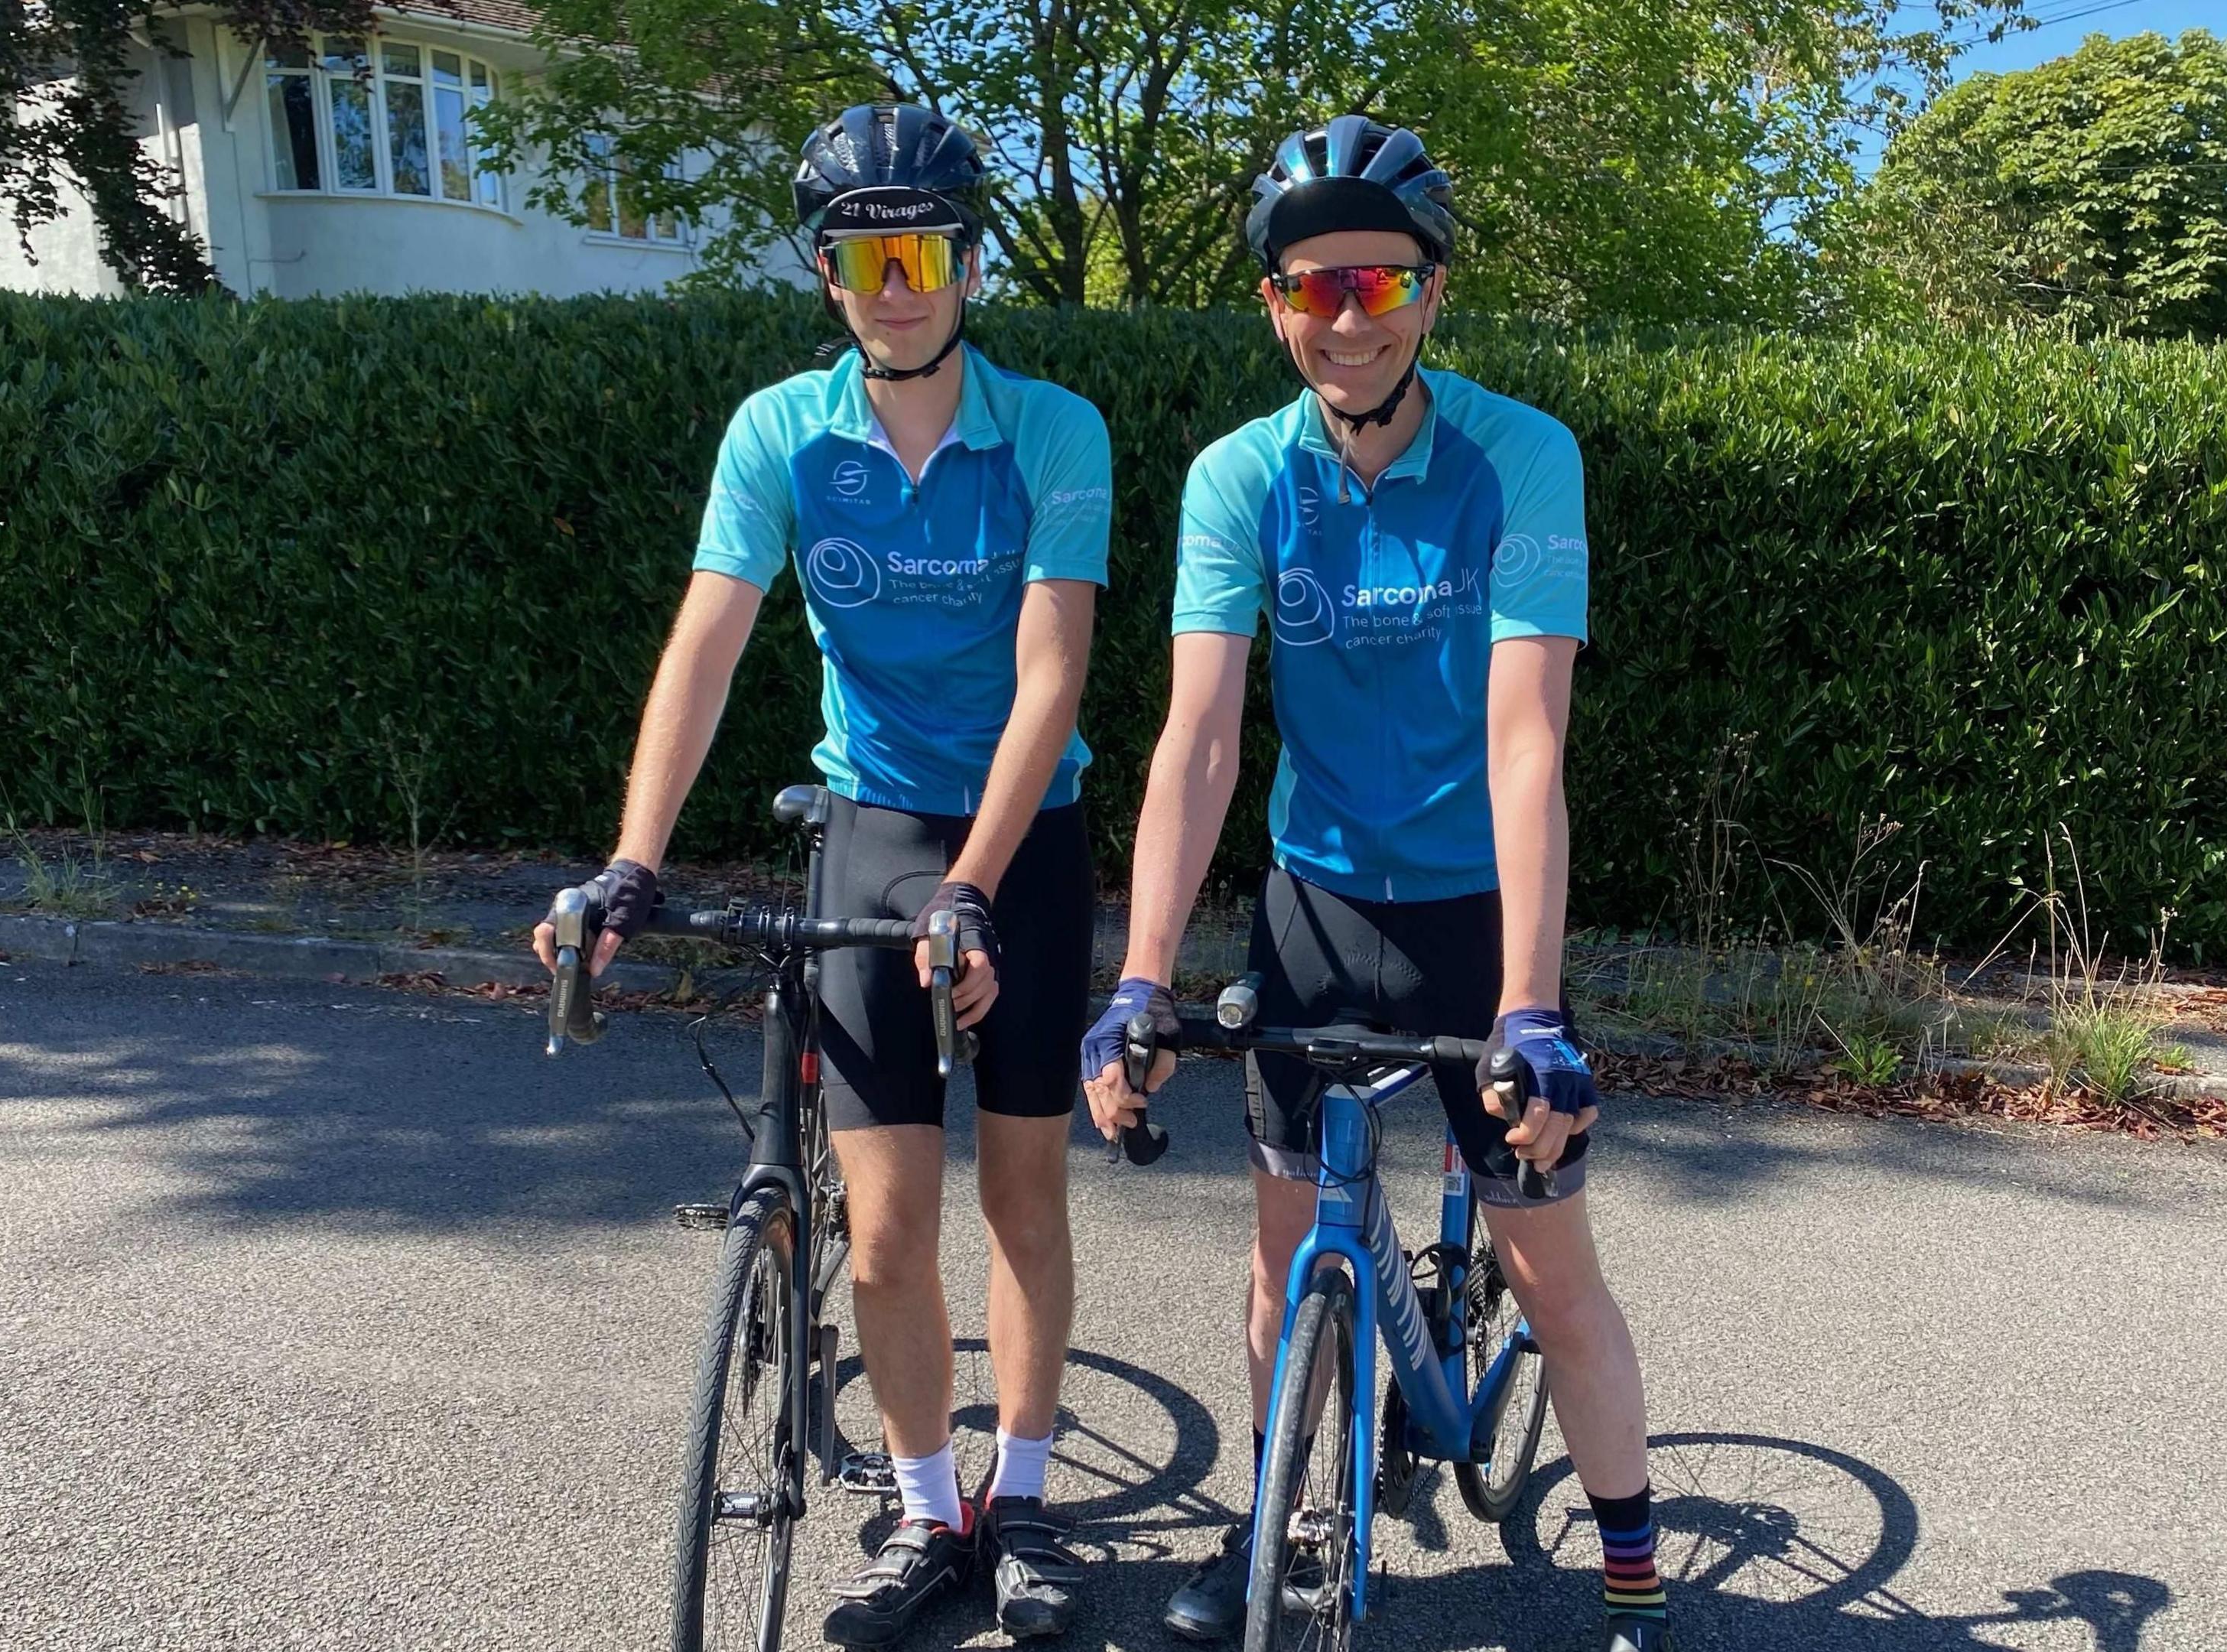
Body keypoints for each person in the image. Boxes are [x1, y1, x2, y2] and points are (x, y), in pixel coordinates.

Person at [1078, 116, 1667, 1652]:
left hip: (1481, 916)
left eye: (1380, 287)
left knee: (1548, 1268)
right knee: (1286, 1257)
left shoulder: (1521, 458)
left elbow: (1527, 740)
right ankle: (1271, 1511)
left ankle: (1631, 1569)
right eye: (1313, 290)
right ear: (1276, 303)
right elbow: (1200, 739)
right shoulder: (1237, 478)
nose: (1348, 320)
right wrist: (1139, 980)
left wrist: (1531, 1005)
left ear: (1432, 292)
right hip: (1315, 903)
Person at [532, 102, 1107, 1647]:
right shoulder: (780, 432)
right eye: (863, 256)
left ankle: (1030, 1497)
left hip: (1019, 840)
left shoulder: (1053, 430)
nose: (895, 281)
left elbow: (1052, 678)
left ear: (971, 263)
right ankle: (927, 1512)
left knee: (1023, 1194)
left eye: (921, 250)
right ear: (829, 274)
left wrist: (976, 884)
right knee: (887, 1226)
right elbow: (707, 640)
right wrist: (632, 861)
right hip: (872, 825)